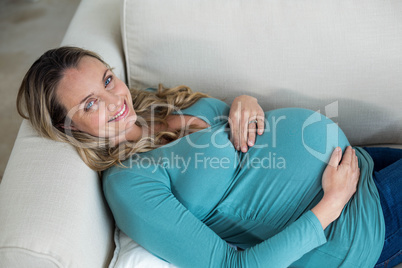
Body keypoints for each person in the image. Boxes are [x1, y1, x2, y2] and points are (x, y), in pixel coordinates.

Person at [16, 46, 401, 268]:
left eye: (107, 80)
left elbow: (241, 136)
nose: (116, 100)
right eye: (90, 104)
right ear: (68, 128)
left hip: (356, 164)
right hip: (354, 224)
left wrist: (245, 102)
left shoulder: (150, 101)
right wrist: (330, 205)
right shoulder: (129, 182)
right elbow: (228, 267)